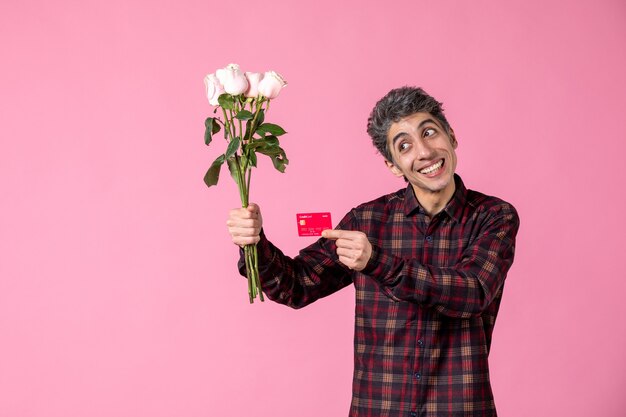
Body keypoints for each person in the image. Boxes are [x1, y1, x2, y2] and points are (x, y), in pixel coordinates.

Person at [226, 86, 520, 417]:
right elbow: (296, 285)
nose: (423, 151)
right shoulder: (366, 220)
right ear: (393, 165)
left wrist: (377, 262)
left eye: (429, 133)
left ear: (451, 137)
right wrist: (255, 242)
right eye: (404, 145)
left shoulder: (494, 216)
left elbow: (473, 292)